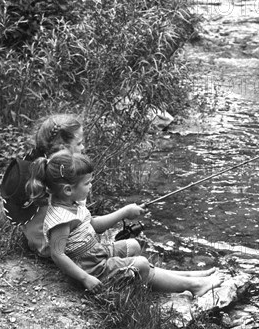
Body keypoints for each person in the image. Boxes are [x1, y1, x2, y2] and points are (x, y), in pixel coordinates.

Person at [26, 149, 221, 296]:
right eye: (87, 183)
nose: (91, 185)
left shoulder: (73, 204)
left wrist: (126, 211)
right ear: (68, 189)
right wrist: (86, 279)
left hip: (96, 254)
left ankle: (186, 276)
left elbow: (95, 225)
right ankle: (193, 286)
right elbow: (57, 255)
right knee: (142, 264)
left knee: (133, 246)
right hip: (91, 269)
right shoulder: (60, 219)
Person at [21, 113, 140, 259]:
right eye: (79, 143)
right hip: (60, 248)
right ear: (64, 147)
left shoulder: (44, 169)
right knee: (136, 255)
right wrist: (125, 212)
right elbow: (92, 225)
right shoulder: (67, 176)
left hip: (39, 244)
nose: (83, 147)